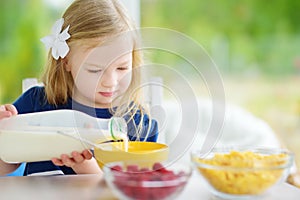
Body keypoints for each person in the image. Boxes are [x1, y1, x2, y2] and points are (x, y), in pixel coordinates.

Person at [0, 0, 158, 176]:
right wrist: (3, 135)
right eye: (95, 70)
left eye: (122, 68)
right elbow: (5, 164)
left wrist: (86, 169)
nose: (110, 81)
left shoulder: (138, 124)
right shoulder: (37, 103)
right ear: (66, 61)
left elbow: (131, 190)